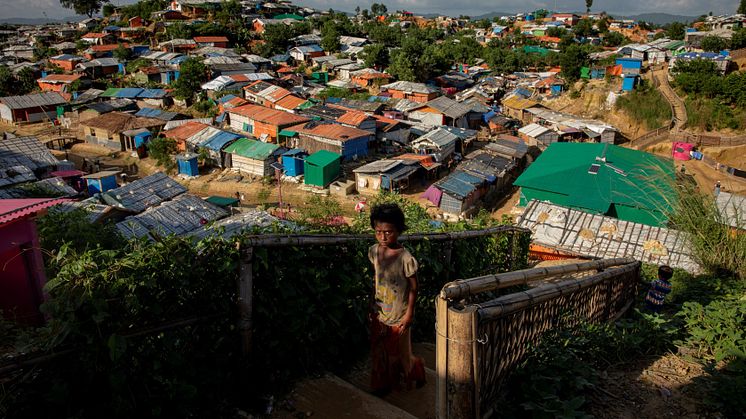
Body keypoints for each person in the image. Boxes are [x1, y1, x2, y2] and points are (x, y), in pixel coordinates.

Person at [368, 203, 426, 396]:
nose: (383, 237)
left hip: (399, 315)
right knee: (379, 351)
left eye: (388, 232)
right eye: (378, 232)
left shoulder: (405, 258)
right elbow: (376, 278)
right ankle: (381, 386)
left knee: (398, 356)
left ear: (399, 231)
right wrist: (372, 305)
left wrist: (409, 314)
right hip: (380, 311)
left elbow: (414, 287)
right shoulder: (375, 251)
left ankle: (414, 370)